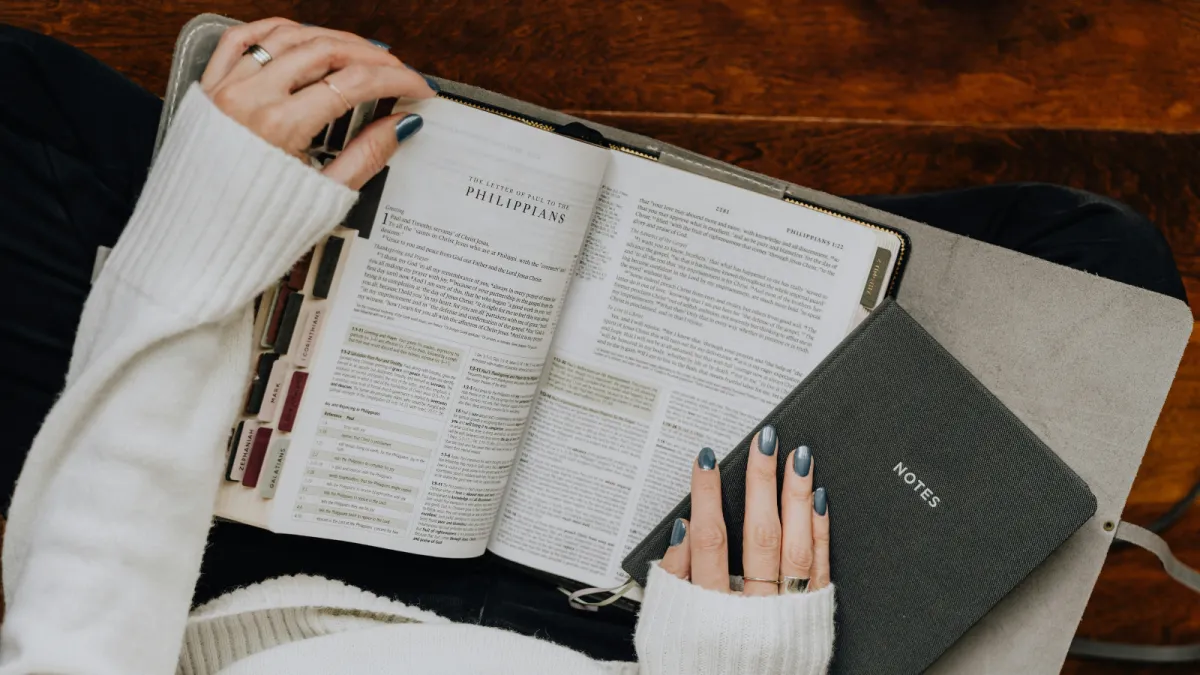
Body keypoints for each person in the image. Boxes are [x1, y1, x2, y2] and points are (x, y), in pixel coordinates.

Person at [0, 16, 1187, 675]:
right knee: (1093, 261)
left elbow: (76, 644)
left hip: (206, 607)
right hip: (656, 639)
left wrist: (194, 262)